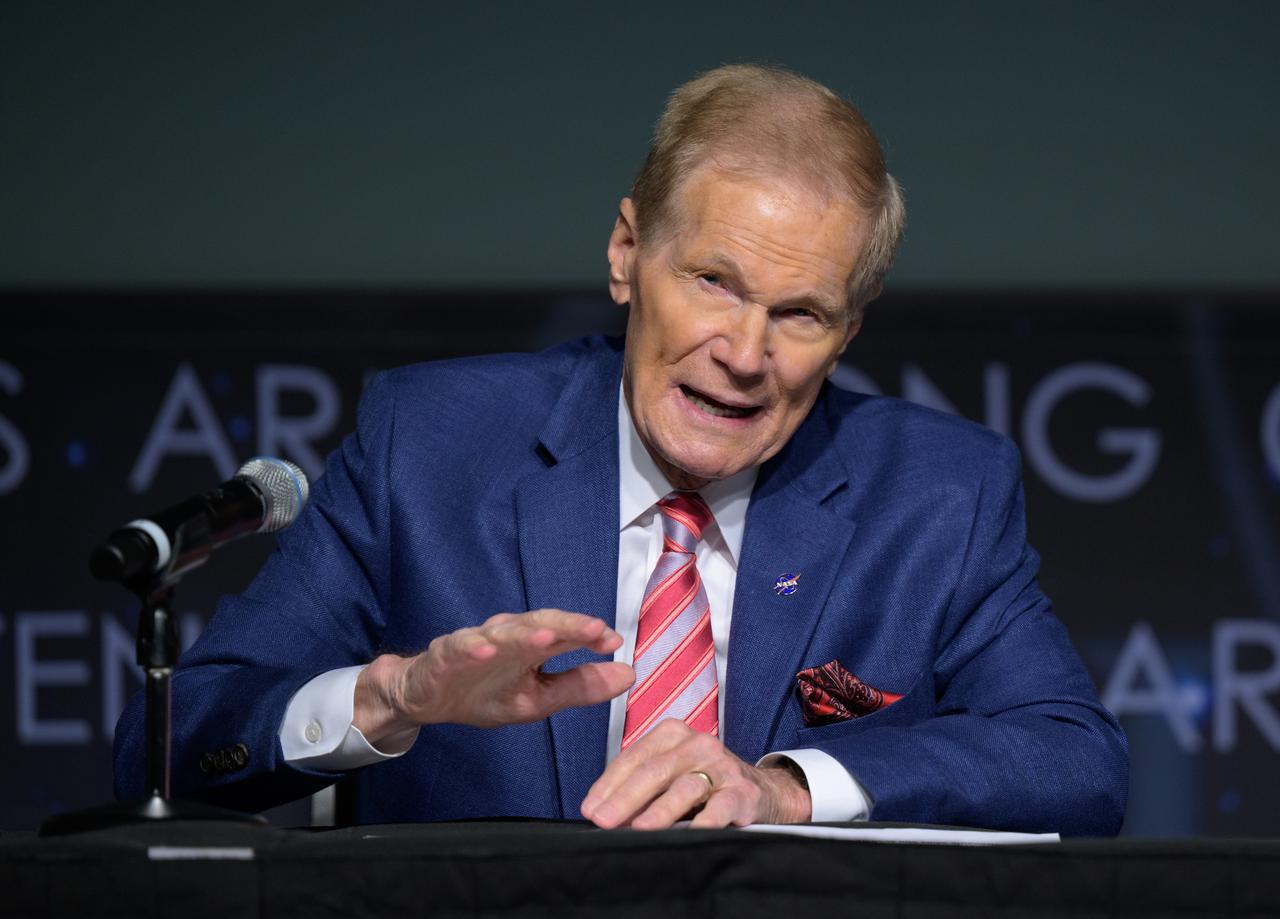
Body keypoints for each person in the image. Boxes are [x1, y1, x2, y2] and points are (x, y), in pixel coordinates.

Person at [115, 64, 1127, 834]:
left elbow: (1076, 761)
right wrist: (392, 697)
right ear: (625, 254)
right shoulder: (429, 446)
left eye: (800, 314)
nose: (744, 355)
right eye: (713, 282)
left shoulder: (937, 494)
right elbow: (165, 751)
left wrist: (784, 788)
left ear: (848, 333)